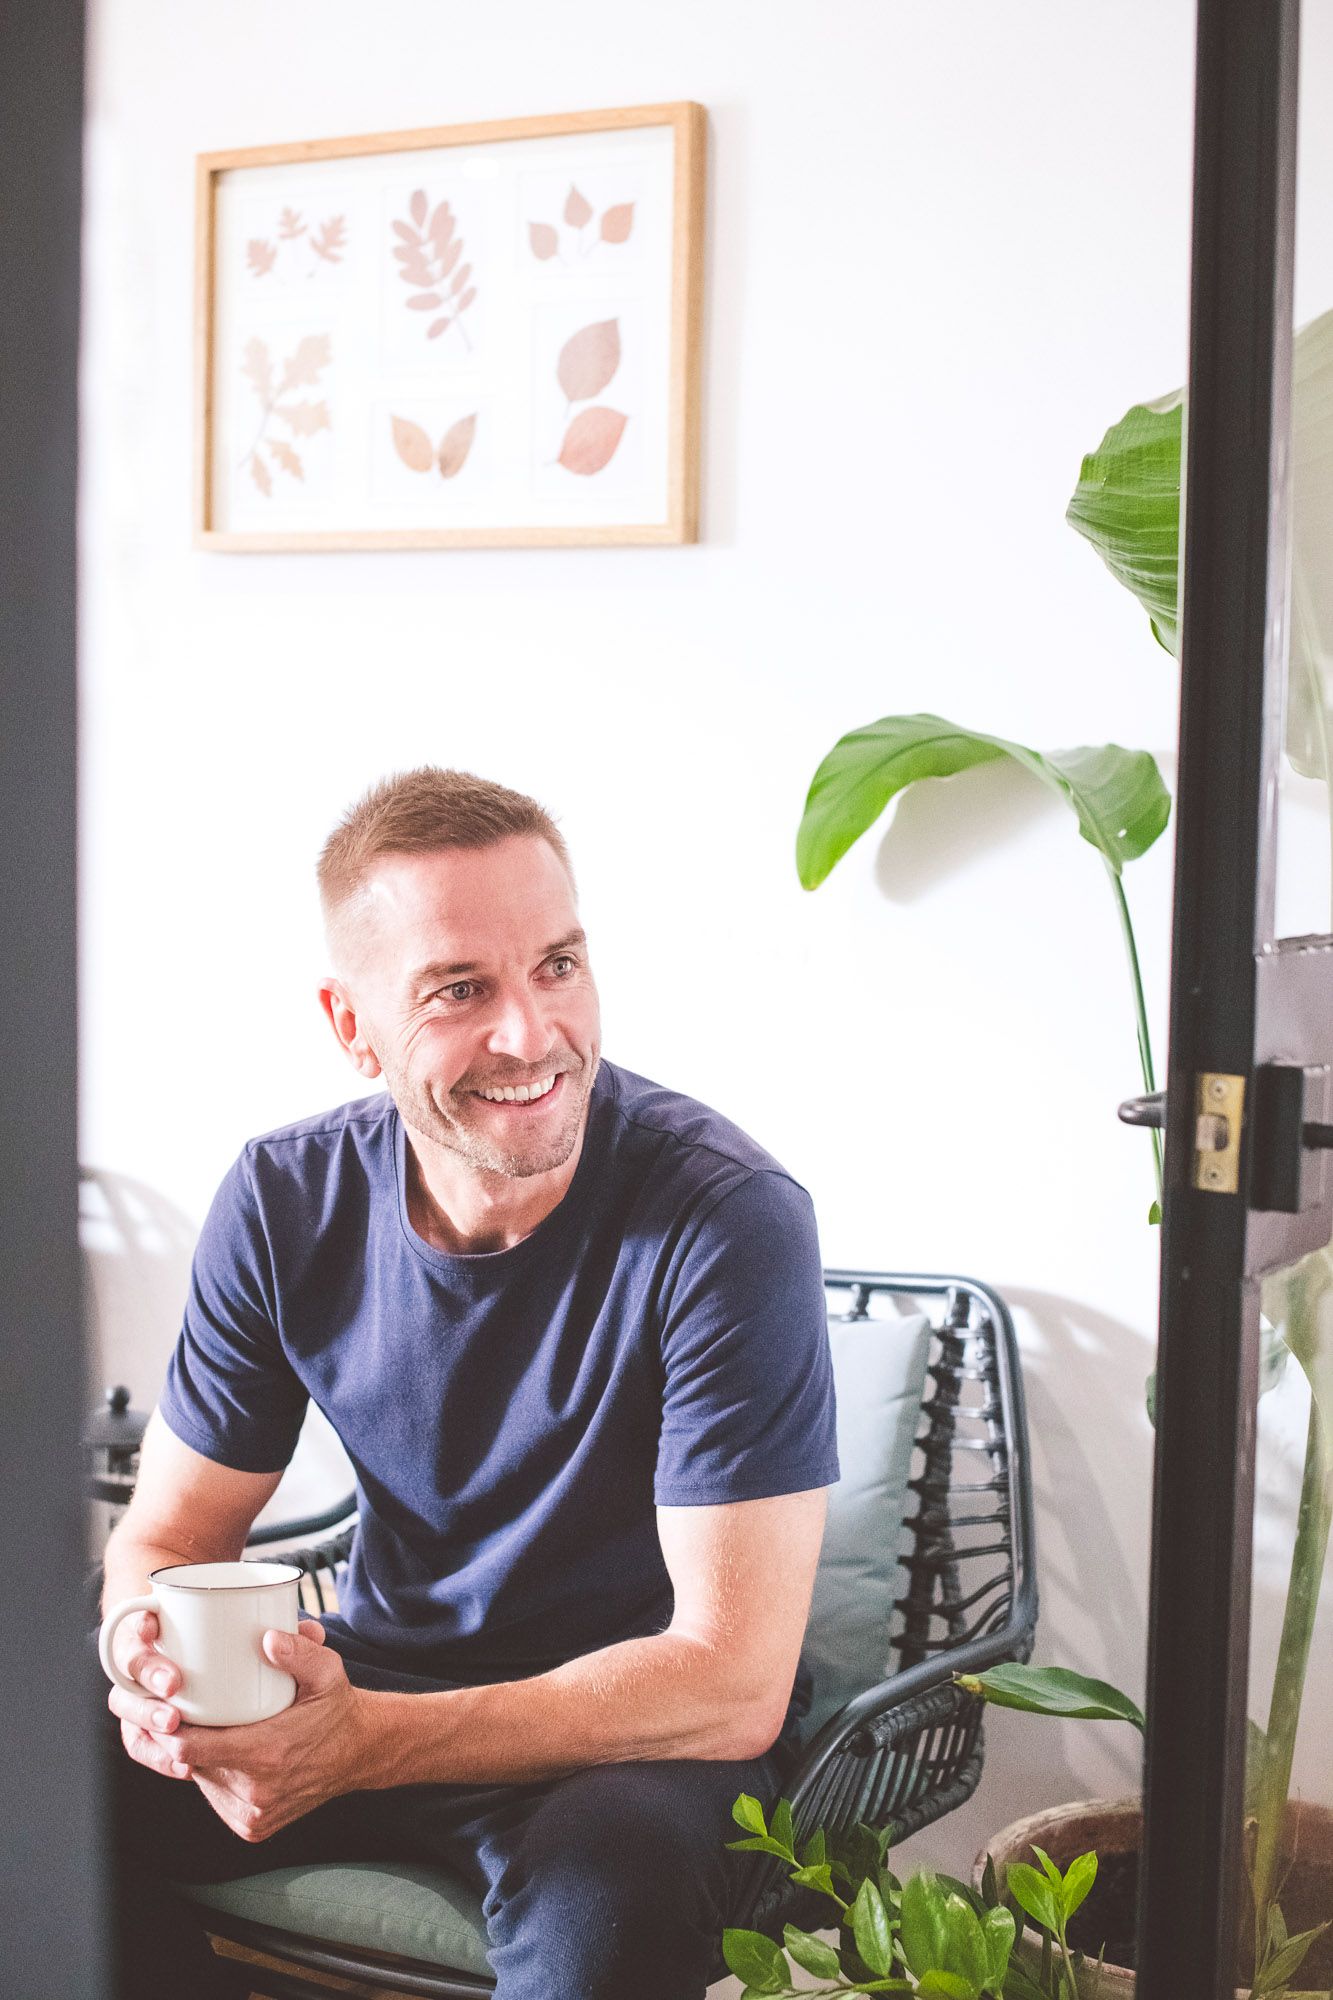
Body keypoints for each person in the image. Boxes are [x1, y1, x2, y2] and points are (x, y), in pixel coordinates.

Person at [103, 768, 839, 2000]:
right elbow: (168, 1537)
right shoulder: (284, 1199)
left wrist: (361, 1743)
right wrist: (154, 1674)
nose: (532, 1033)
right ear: (352, 1026)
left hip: (634, 1731)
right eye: (459, 988)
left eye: (558, 964)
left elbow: (730, 1679)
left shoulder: (726, 1218)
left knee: (606, 1901)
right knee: (33, 1764)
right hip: (377, 1673)